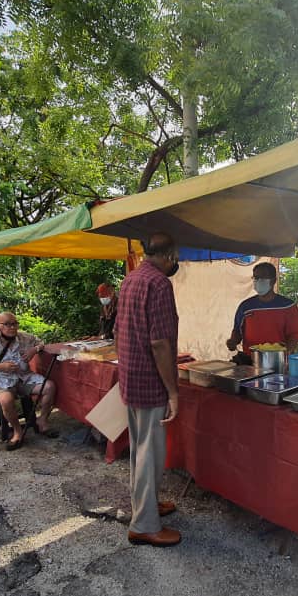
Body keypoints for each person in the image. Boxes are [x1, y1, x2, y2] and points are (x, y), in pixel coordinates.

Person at [114, 232, 181, 547]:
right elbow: (159, 343)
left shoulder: (131, 279)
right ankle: (144, 525)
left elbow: (120, 330)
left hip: (131, 376)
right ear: (170, 255)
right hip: (151, 382)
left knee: (139, 449)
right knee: (149, 453)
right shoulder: (159, 284)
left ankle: (145, 506)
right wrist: (173, 391)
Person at [0, 311, 58, 449]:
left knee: (49, 386)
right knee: (6, 400)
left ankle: (42, 421)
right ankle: (17, 431)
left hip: (24, 377)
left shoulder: (25, 338)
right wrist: (1, 366)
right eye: (7, 324)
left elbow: (41, 342)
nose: (12, 327)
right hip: (2, 380)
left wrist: (34, 349)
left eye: (14, 324)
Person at [226, 261, 298, 365]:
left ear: (273, 281)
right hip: (250, 361)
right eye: (255, 278)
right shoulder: (245, 307)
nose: (258, 281)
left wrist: (284, 356)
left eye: (262, 278)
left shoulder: (288, 307)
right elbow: (237, 331)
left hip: (277, 362)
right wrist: (232, 342)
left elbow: (294, 336)